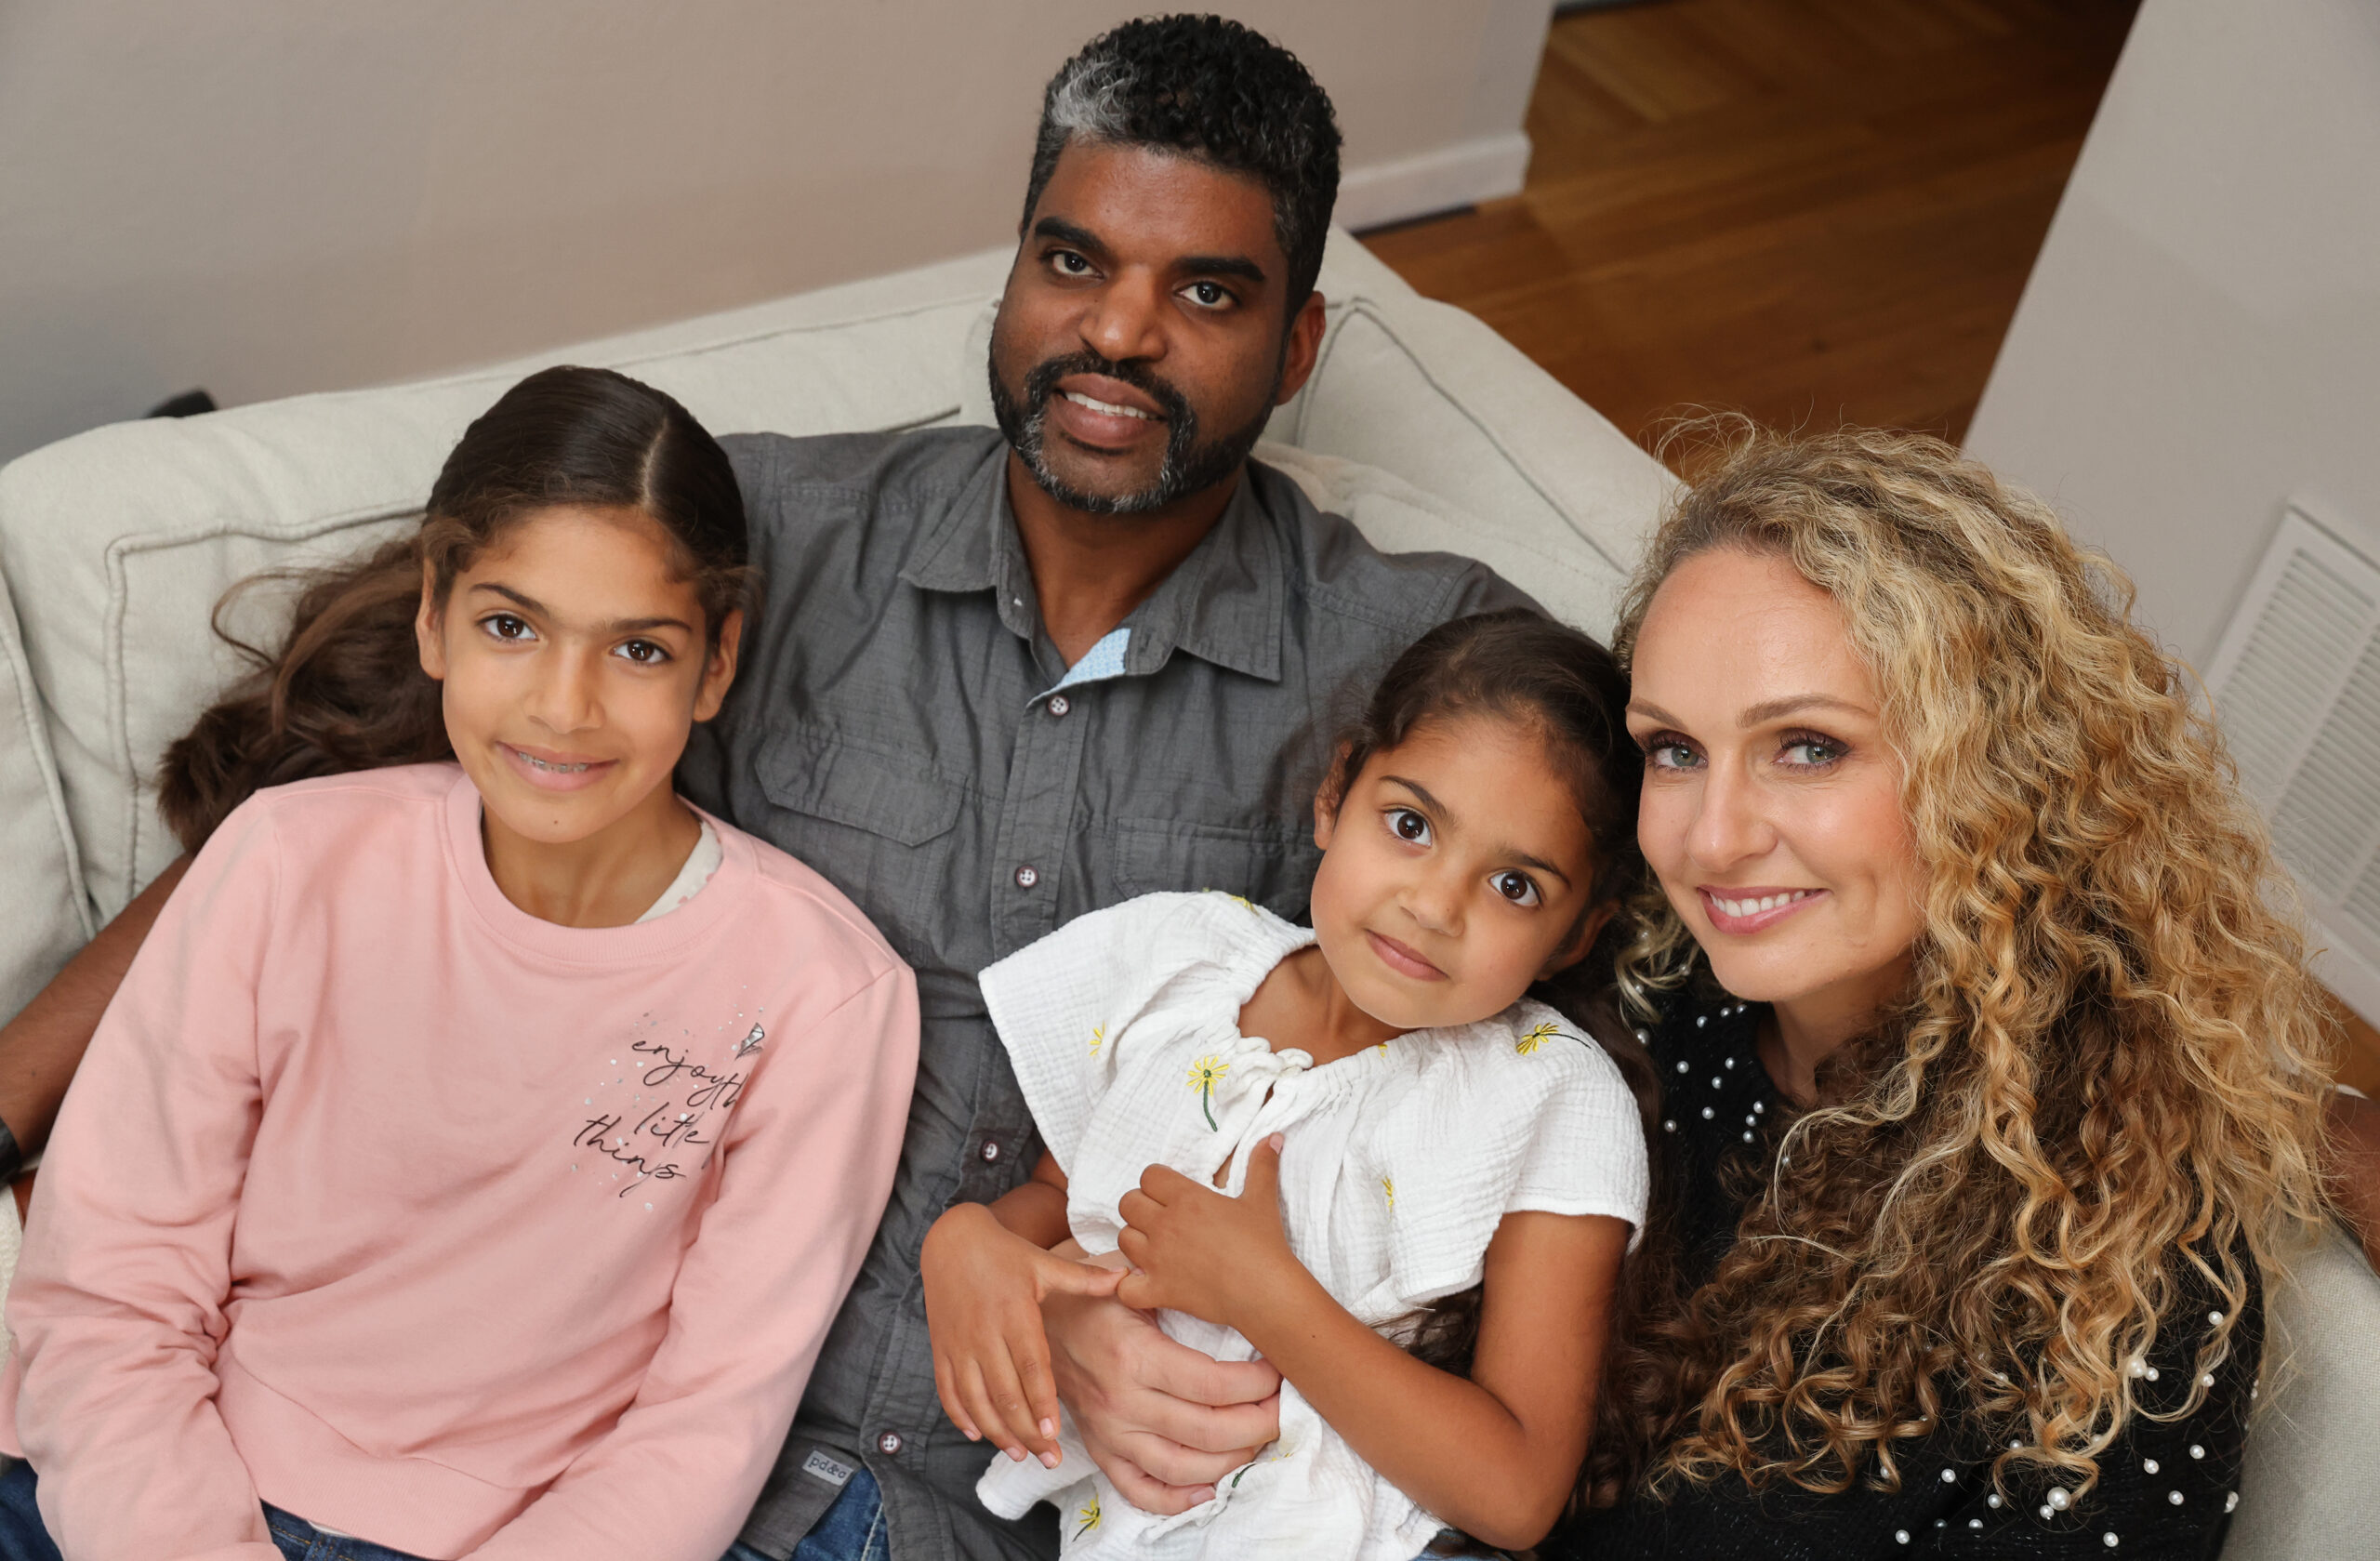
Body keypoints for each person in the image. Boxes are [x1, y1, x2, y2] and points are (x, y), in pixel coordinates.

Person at [0, 18, 1534, 1559]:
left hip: (978, 1492)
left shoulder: (1407, 661)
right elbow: (354, 777)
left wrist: (1187, 1304)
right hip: (585, 1436)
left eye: (1207, 290)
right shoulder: (772, 535)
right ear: (1009, 273)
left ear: (1301, 344)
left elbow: (1513, 1023)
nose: (1118, 333)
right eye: (1072, 263)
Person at [0, 366, 920, 1561]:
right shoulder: (286, 859)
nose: (563, 705)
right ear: (434, 614)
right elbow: (110, 1283)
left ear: (716, 661)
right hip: (135, 1490)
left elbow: (703, 1429)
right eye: (510, 626)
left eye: (637, 649)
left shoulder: (823, 990)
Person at [1549, 425, 2335, 1558]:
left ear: (1999, 775)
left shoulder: (2112, 1269)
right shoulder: (1629, 973)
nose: (1709, 839)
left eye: (1807, 747)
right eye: (1673, 748)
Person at [922, 613, 1650, 1558]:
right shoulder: (1178, 965)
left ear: (1575, 935)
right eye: (1410, 824)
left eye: (1514, 885)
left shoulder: (1552, 1097)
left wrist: (1264, 1292)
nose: (1433, 906)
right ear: (1334, 790)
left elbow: (1515, 1493)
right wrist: (967, 1242)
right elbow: (1059, 1201)